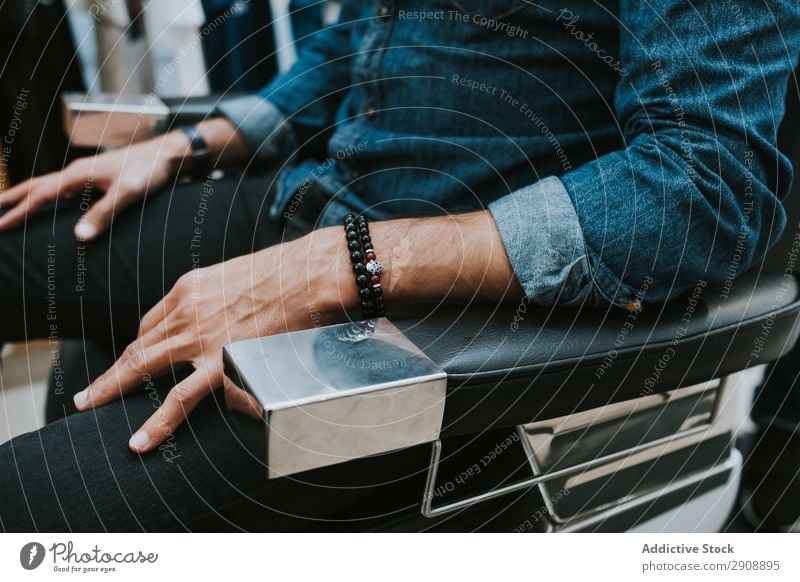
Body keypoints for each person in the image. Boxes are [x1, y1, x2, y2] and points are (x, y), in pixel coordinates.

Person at [0, 0, 798, 531]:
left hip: (440, 314)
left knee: (25, 504)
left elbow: (708, 183)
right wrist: (185, 144)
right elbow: (353, 47)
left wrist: (336, 265)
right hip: (317, 203)